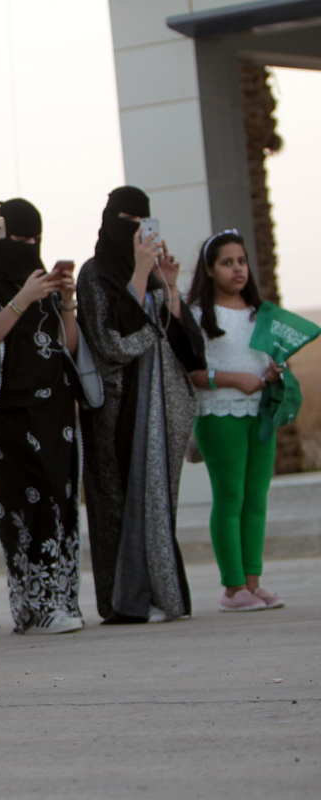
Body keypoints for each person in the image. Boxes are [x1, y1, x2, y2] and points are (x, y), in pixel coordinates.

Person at [77, 186, 205, 624]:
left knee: (156, 503)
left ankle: (159, 593)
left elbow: (190, 349)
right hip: (114, 411)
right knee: (116, 506)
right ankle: (124, 603)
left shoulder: (153, 274)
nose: (133, 228)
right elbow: (111, 341)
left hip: (159, 413)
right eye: (125, 218)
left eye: (141, 220)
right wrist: (138, 273)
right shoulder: (95, 275)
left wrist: (166, 285)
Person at [0, 198, 84, 635]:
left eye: (35, 240)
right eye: (20, 240)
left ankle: (61, 601)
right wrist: (23, 299)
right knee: (26, 501)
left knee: (61, 501)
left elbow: (66, 346)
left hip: (54, 408)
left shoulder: (38, 278)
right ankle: (35, 607)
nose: (29, 247)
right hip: (7, 409)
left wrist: (65, 300)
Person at [185, 230, 286, 612]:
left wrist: (275, 373)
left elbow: (268, 360)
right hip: (219, 414)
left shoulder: (261, 314)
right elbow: (191, 373)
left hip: (260, 414)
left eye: (241, 261)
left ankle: (254, 582)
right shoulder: (197, 315)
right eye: (227, 263)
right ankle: (232, 588)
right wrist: (232, 380)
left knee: (256, 498)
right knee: (231, 498)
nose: (237, 269)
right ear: (210, 270)